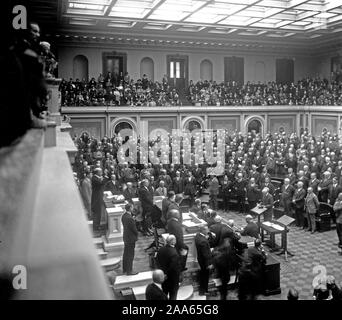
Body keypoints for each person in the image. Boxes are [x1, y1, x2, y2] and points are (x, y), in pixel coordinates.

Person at [156, 235, 181, 300]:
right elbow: (173, 268)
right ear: (173, 241)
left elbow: (157, 261)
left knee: (164, 294)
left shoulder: (161, 249)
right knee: (173, 295)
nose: (176, 241)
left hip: (163, 277)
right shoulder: (174, 253)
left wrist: (163, 273)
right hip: (172, 279)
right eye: (175, 240)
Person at [195, 225, 213, 296]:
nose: (208, 231)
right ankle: (203, 291)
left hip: (200, 259)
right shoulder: (203, 241)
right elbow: (205, 254)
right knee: (205, 277)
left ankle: (203, 290)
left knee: (203, 275)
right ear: (203, 230)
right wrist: (209, 264)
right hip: (204, 262)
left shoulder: (197, 236)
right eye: (207, 230)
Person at [121, 203, 139, 275]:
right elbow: (134, 229)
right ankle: (129, 271)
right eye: (132, 207)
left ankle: (125, 269)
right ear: (130, 208)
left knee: (126, 254)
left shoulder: (124, 216)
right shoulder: (130, 218)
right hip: (131, 238)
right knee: (130, 255)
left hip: (126, 237)